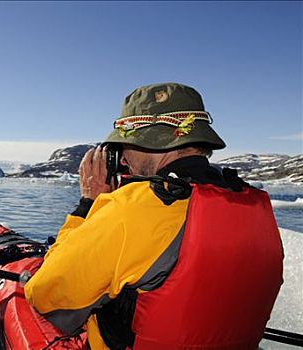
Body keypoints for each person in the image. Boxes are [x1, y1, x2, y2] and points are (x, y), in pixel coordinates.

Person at [24, 82, 284, 350]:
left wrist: (87, 206)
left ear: (154, 142)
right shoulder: (255, 205)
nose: (123, 159)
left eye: (125, 145)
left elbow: (44, 294)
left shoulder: (131, 210)